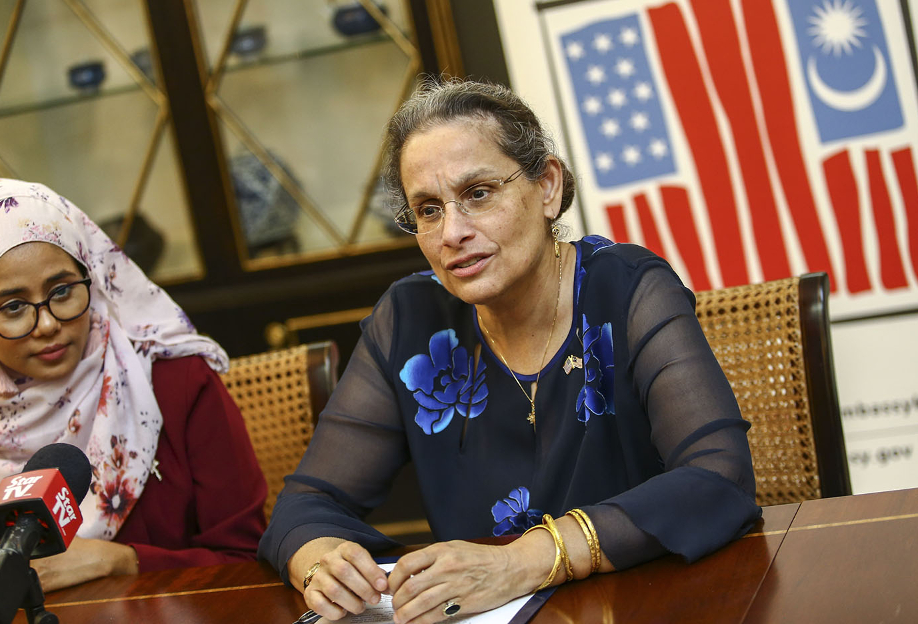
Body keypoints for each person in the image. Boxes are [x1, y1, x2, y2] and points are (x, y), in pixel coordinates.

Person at [259, 78, 761, 623]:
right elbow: (305, 505)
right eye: (428, 210)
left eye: (477, 194)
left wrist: (526, 560)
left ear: (547, 186)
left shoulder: (629, 290)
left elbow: (720, 474)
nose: (452, 232)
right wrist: (322, 564)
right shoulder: (409, 320)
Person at [0, 178, 267, 591]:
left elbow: (248, 563)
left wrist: (120, 562)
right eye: (13, 307)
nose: (48, 324)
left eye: (62, 290)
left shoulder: (178, 384)